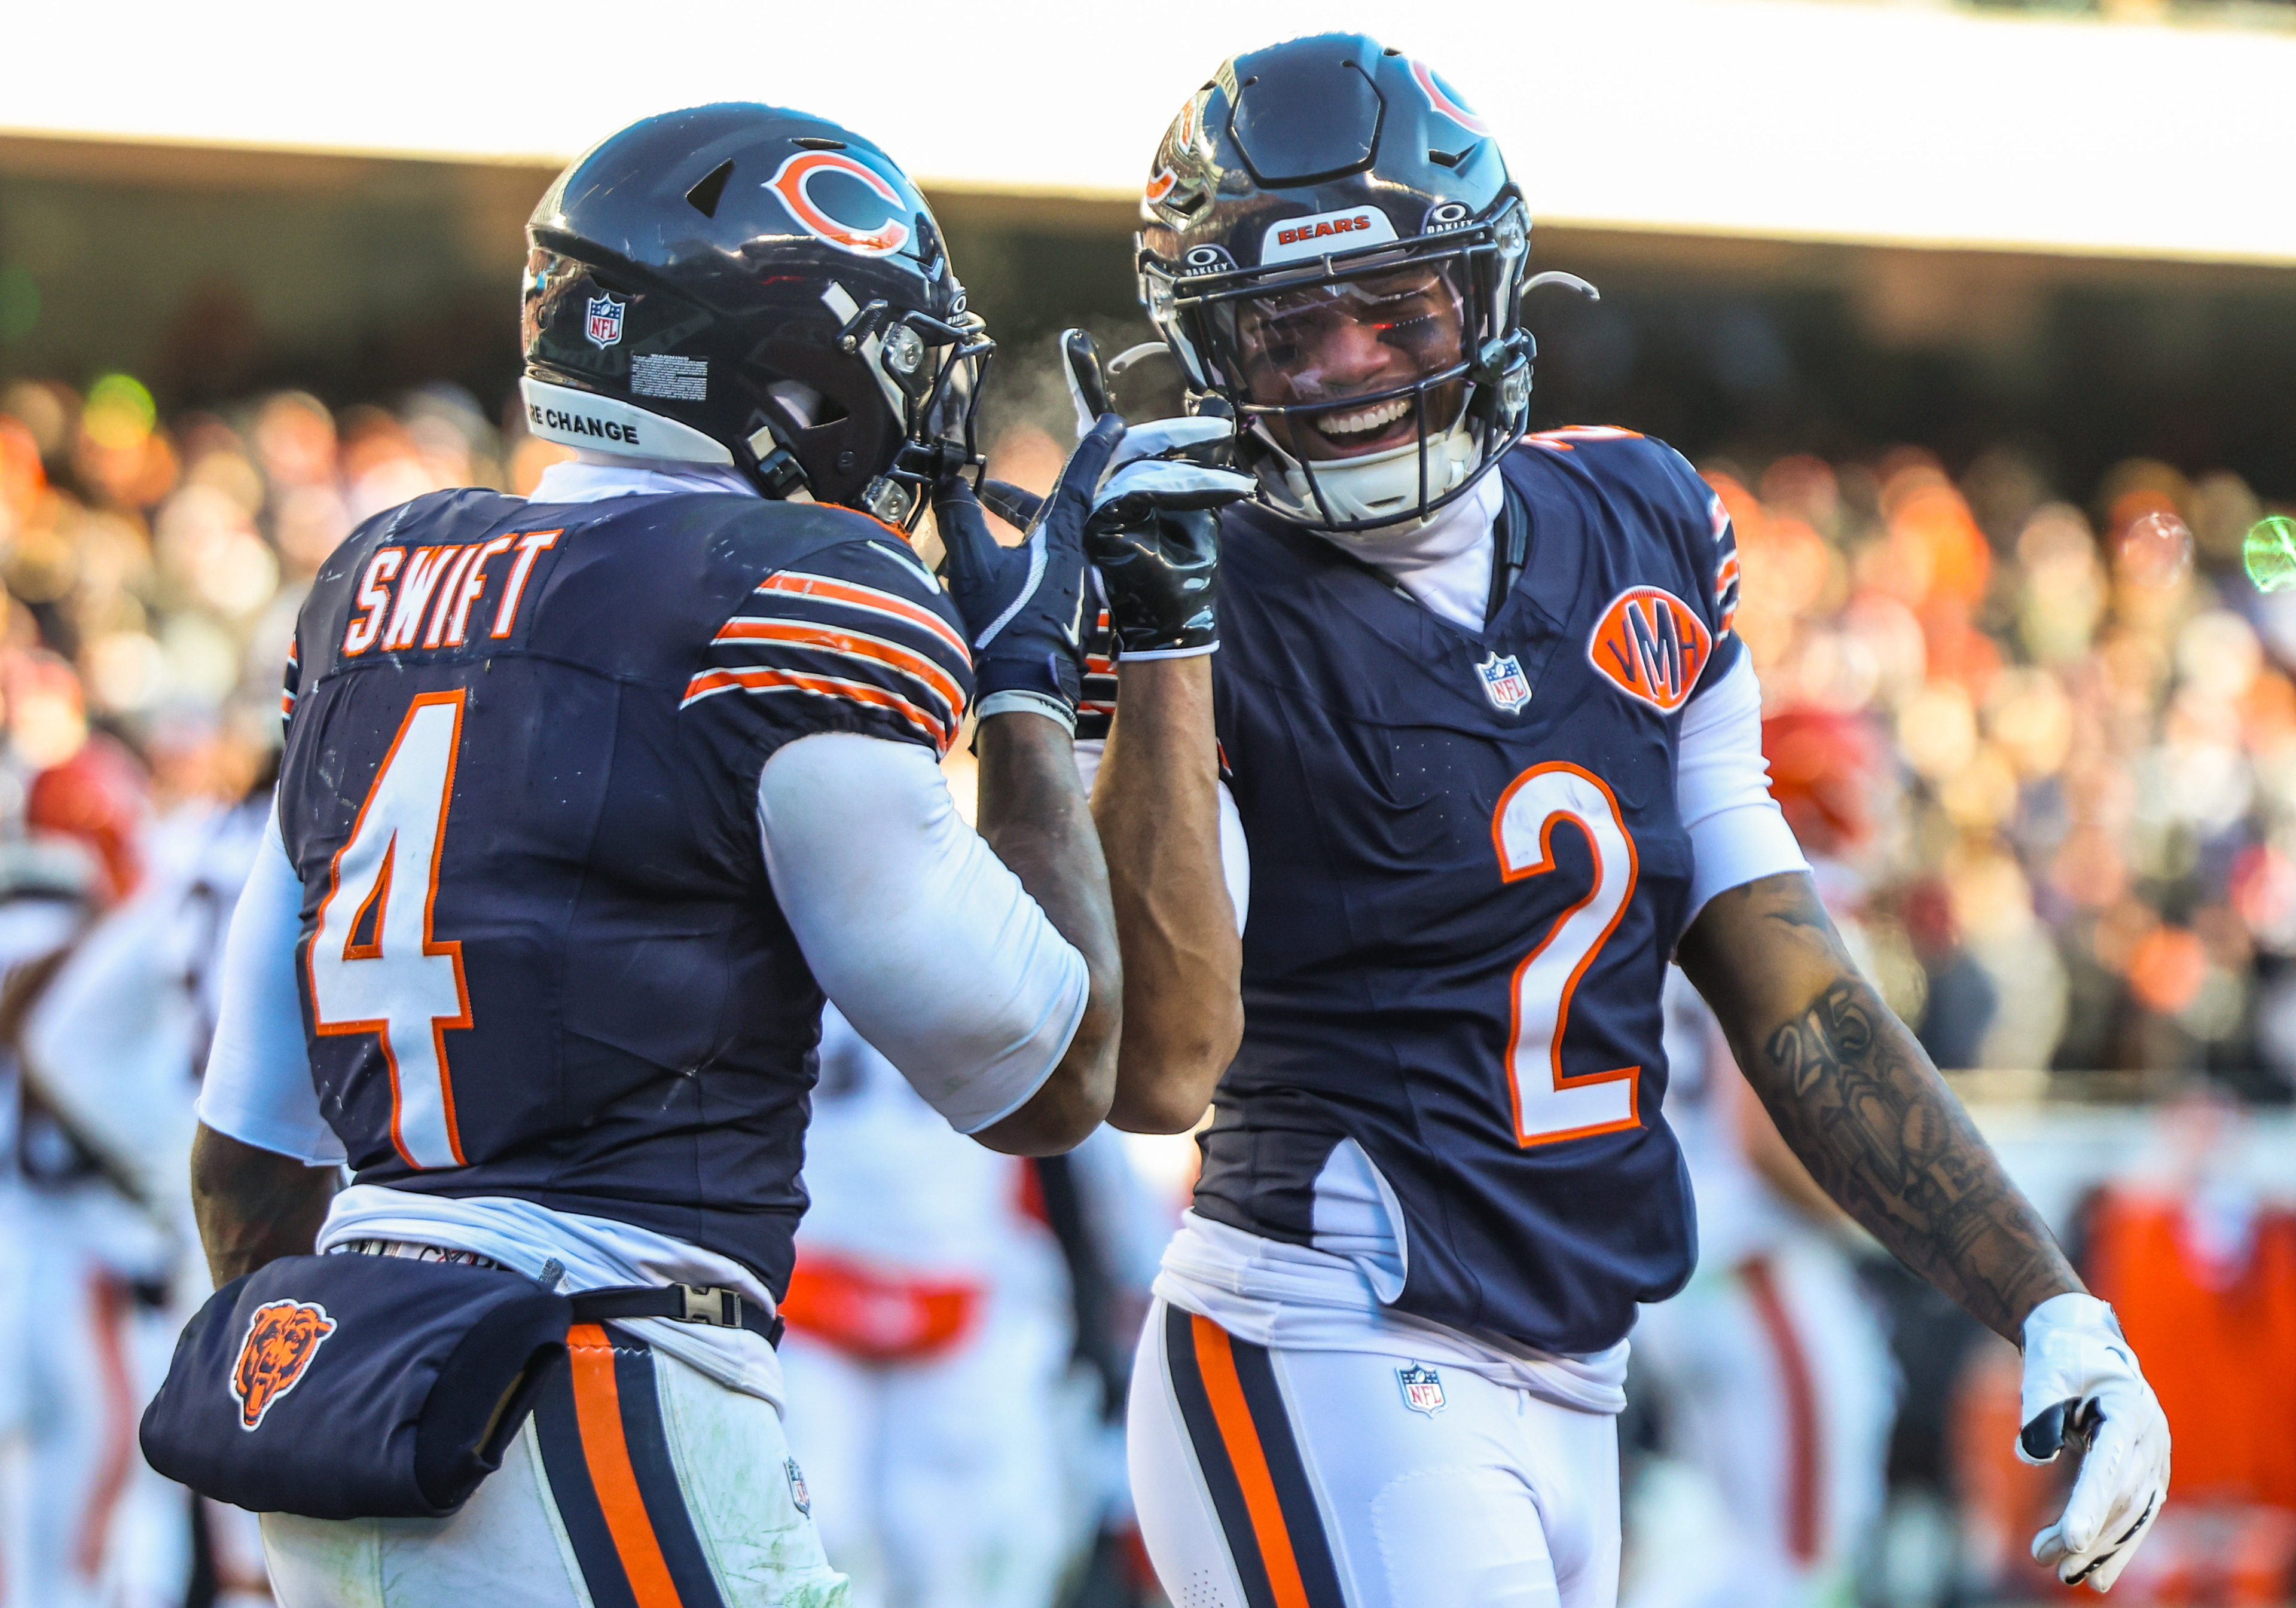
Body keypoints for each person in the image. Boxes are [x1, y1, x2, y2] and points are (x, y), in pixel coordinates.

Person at [1092, 35, 2172, 1608]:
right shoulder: (1206, 582)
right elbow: (1164, 1062)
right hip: (1323, 1343)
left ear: (1484, 290)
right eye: (1283, 325)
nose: (1340, 362)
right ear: (1208, 350)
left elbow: (1792, 985)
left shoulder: (1640, 524)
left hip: (1579, 1378)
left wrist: (2052, 1302)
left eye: (1390, 305)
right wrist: (1164, 640)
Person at [186, 102, 1146, 1608]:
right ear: (792, 369)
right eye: (895, 362)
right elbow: (1060, 1073)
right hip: (599, 1381)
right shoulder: (779, 594)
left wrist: (369, 1375)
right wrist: (1029, 696)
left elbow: (245, 1172)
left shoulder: (374, 587)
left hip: (345, 1413)